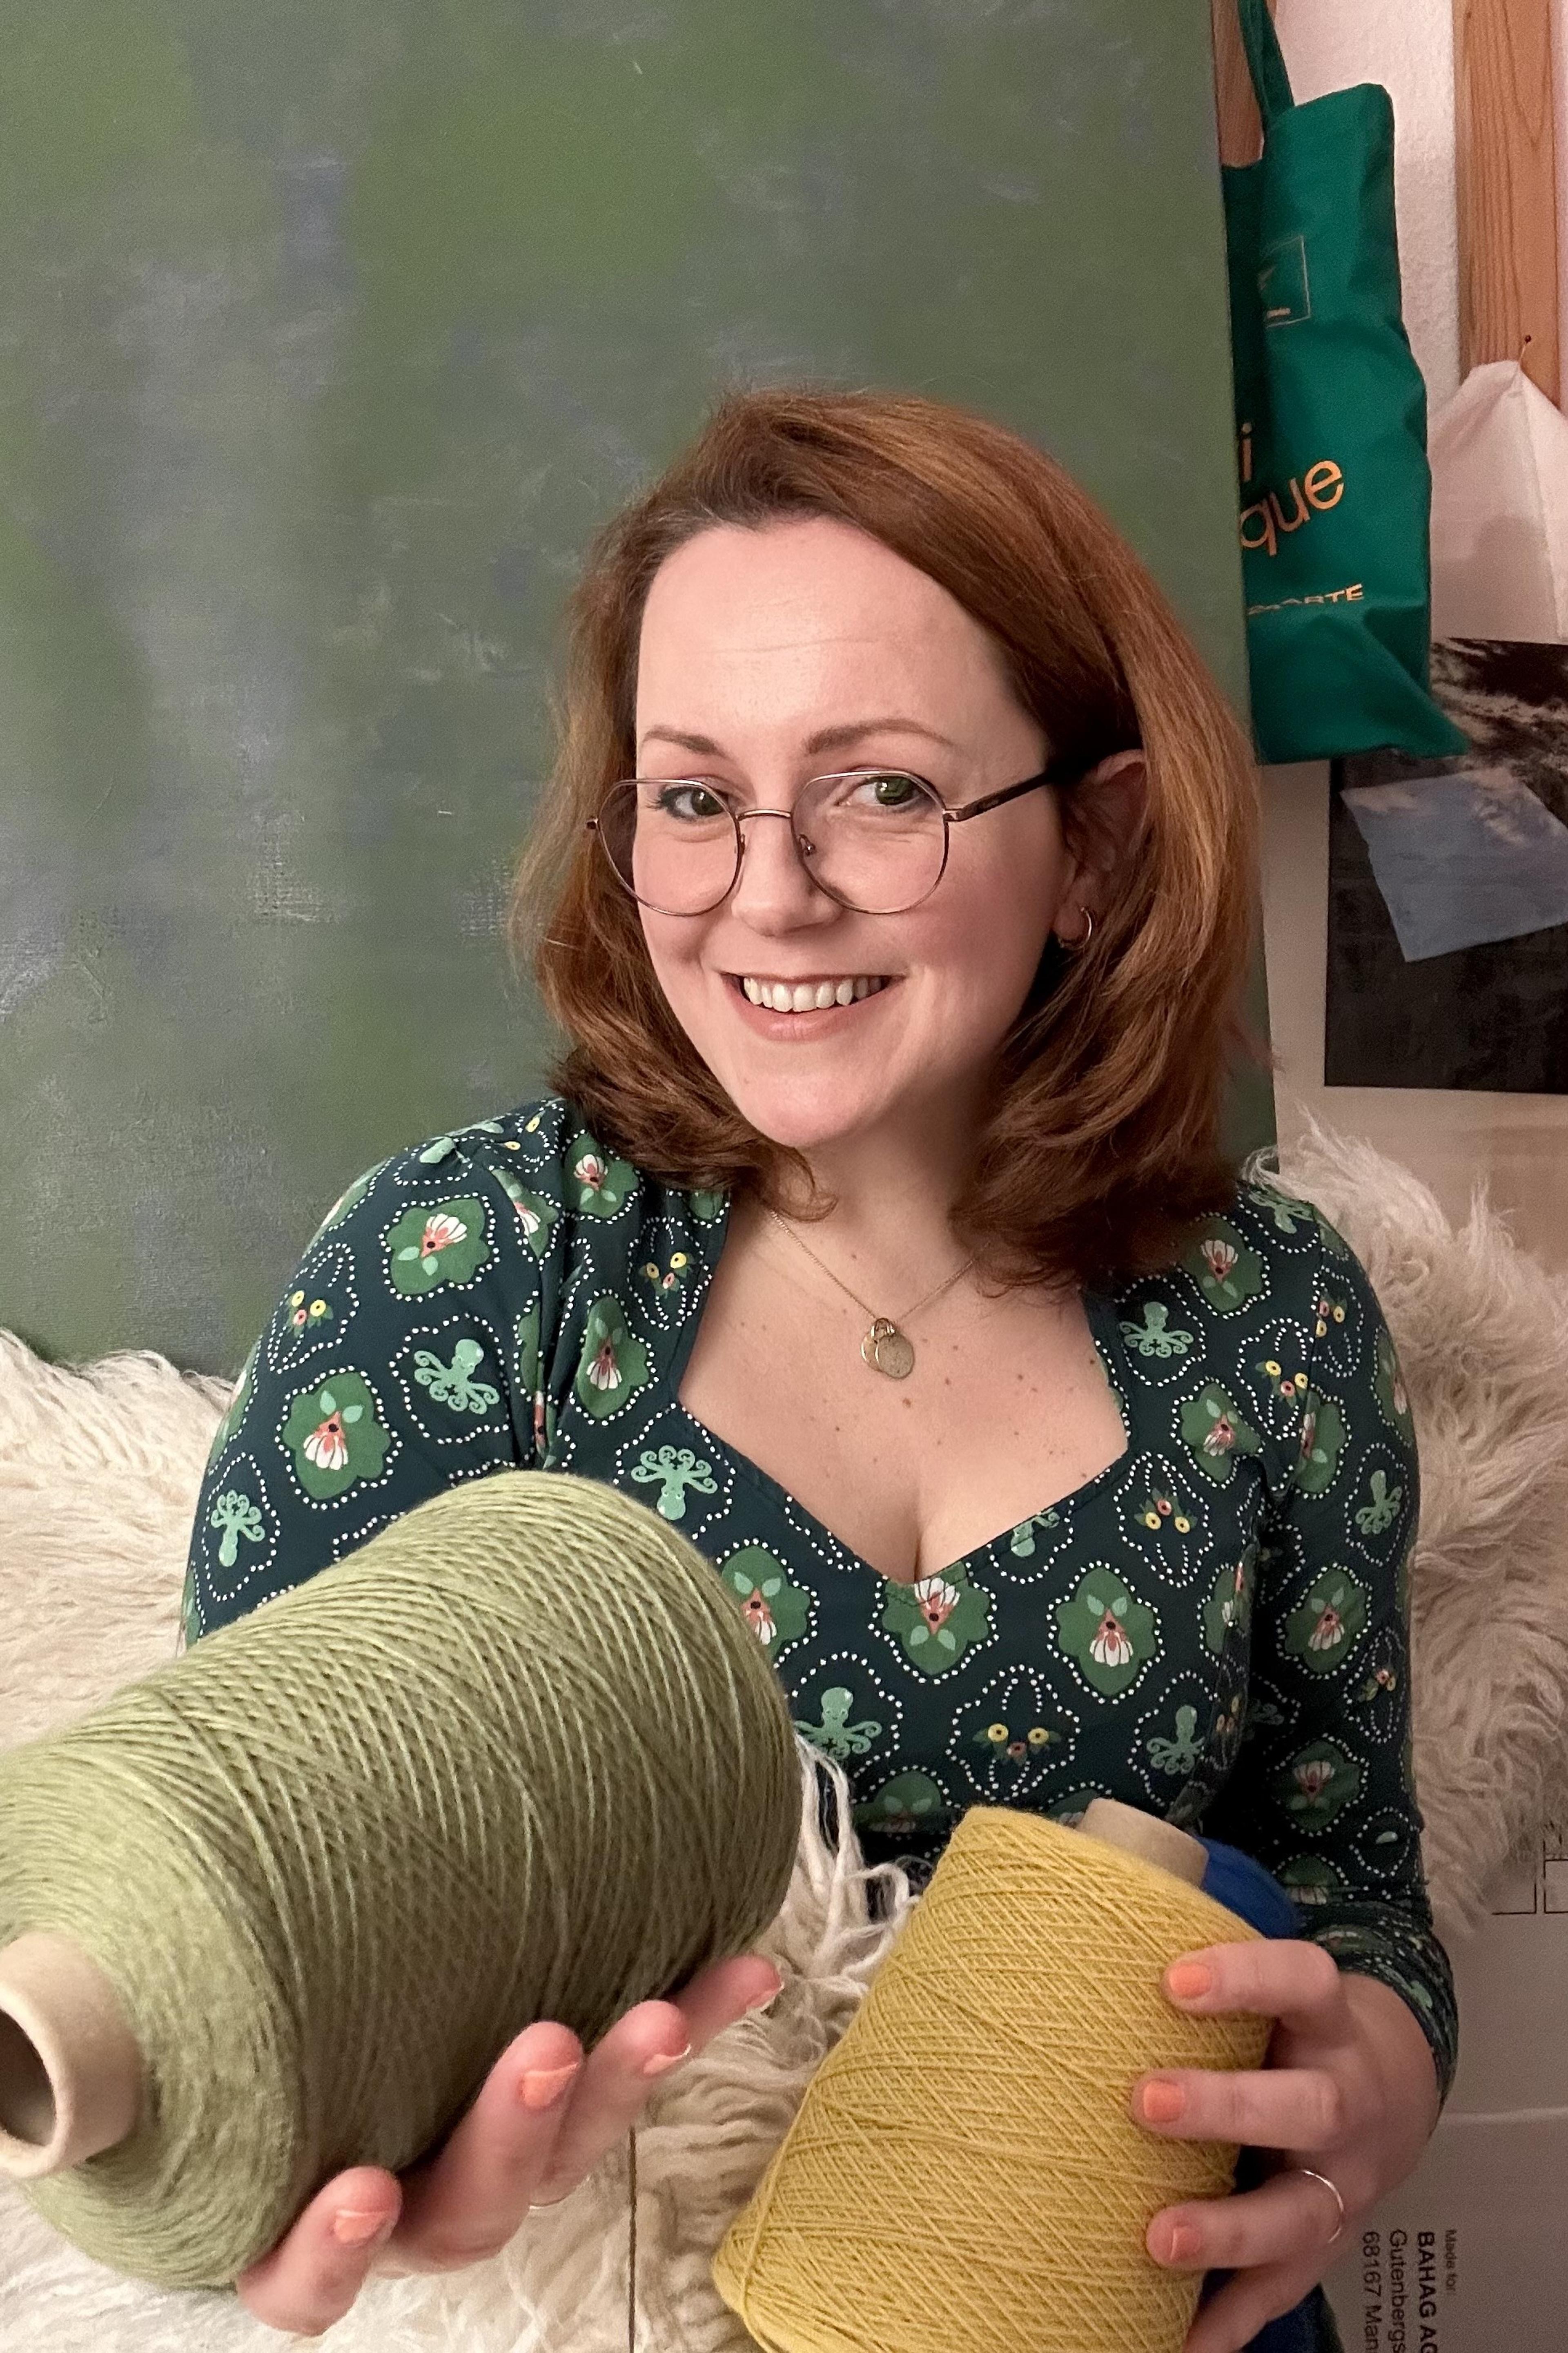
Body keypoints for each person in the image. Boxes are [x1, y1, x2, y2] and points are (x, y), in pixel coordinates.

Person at [183, 386, 1454, 2351]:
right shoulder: (463, 1277)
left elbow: (1349, 1865)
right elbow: (241, 1887)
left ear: (1096, 844)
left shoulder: (1272, 1322)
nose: (768, 892)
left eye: (880, 791)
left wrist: (1370, 2091)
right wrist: (294, 2137)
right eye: (693, 797)